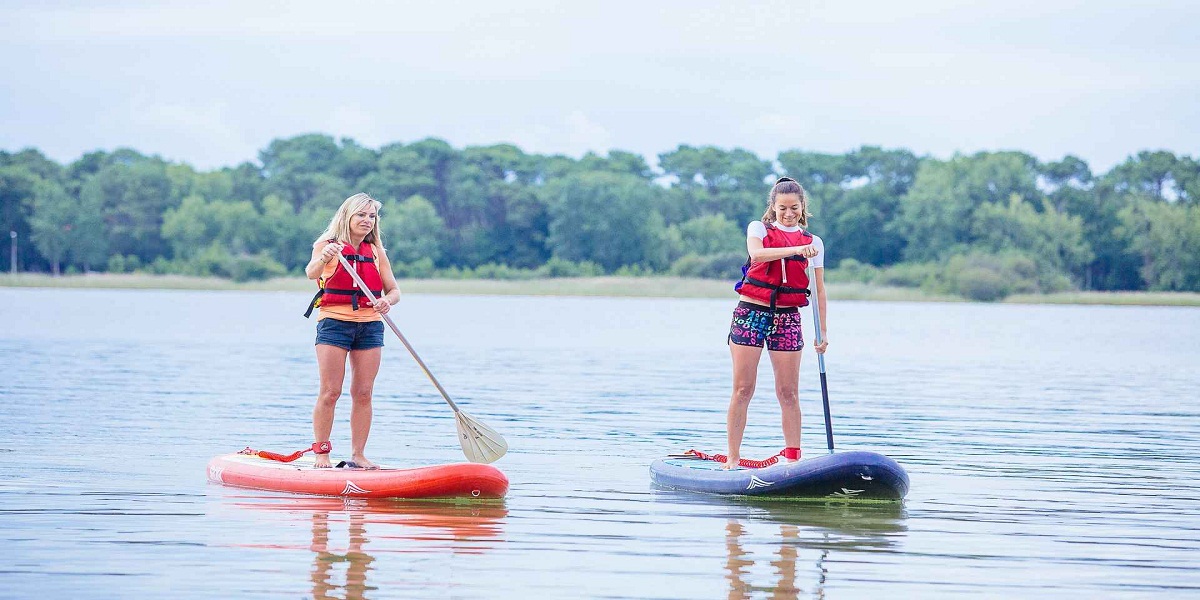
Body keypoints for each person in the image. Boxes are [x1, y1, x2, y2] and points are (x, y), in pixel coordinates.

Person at [725, 177, 828, 469]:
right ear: (773, 207)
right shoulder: (758, 229)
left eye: (794, 208)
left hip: (788, 317)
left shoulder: (814, 243)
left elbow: (819, 290)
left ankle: (793, 460)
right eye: (782, 208)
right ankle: (733, 459)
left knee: (788, 392)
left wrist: (823, 334)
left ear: (802, 207)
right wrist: (795, 251)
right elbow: (757, 254)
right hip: (751, 314)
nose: (788, 213)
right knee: (743, 389)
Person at [303, 192, 401, 469]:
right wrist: (324, 257)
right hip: (334, 324)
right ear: (347, 216)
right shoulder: (326, 245)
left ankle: (358, 455)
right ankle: (322, 453)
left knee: (364, 393)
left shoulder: (376, 252)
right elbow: (311, 273)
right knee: (330, 391)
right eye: (361, 215)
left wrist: (386, 301)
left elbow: (394, 291)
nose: (367, 221)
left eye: (372, 216)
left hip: (370, 326)